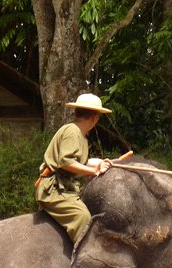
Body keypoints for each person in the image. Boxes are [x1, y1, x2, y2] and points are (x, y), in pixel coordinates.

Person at [35, 93, 113, 244]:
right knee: (82, 217)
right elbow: (65, 162)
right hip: (54, 190)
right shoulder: (72, 131)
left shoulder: (81, 135)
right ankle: (83, 261)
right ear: (94, 118)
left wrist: (102, 164)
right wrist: (94, 171)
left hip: (67, 189)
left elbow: (79, 163)